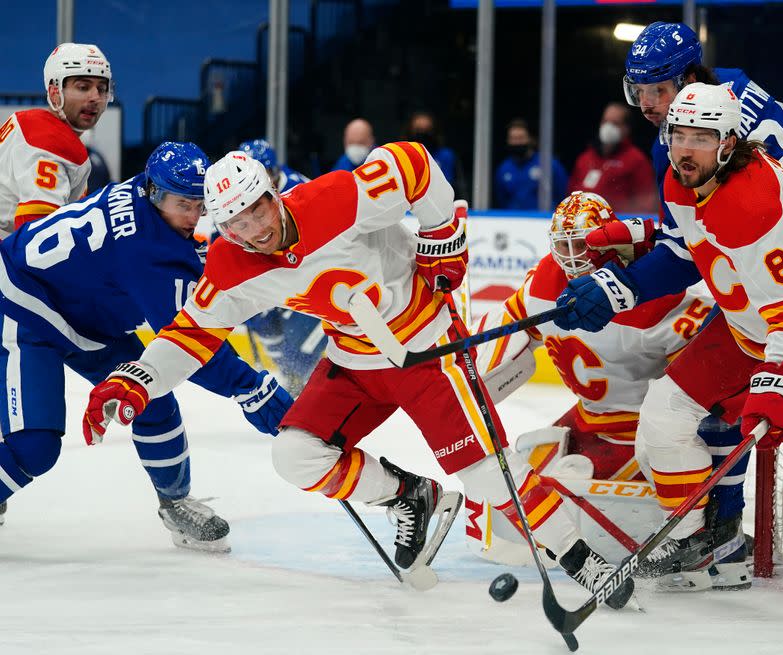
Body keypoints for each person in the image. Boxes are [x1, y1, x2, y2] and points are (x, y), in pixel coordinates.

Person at [83, 144, 635, 608]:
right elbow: (189, 335)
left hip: (427, 347)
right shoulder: (230, 264)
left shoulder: (336, 198)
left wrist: (443, 236)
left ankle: (579, 557)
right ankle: (410, 496)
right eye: (234, 222)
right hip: (353, 360)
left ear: (273, 195)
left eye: (256, 211)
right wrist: (135, 379)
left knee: (490, 478)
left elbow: (415, 165)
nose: (252, 230)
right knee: (295, 455)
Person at [553, 83, 783, 591]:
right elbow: (683, 254)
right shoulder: (679, 179)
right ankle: (695, 540)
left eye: (701, 137)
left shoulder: (757, 207)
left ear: (729, 143)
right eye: (677, 134)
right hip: (746, 329)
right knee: (664, 417)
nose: (684, 148)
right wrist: (617, 287)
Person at [0, 142, 292, 550]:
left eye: (199, 204)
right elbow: (189, 343)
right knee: (35, 447)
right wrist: (249, 387)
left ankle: (174, 503)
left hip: (84, 315)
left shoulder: (147, 196)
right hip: (24, 304)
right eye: (183, 204)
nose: (193, 217)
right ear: (156, 193)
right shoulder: (148, 251)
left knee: (149, 396)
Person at [468, 191, 749, 588]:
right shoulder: (545, 281)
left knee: (659, 448)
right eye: (563, 246)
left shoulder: (656, 297)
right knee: (518, 467)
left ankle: (700, 537)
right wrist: (469, 386)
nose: (572, 258)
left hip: (640, 431)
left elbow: (701, 388)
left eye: (581, 244)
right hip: (588, 418)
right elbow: (505, 331)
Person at [623, 21, 783, 193]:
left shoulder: (707, 126)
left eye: (657, 91)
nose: (645, 105)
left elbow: (685, 220)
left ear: (689, 81)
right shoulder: (731, 80)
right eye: (638, 91)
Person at [237, 139, 324, 396]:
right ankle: (292, 374)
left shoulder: (301, 190)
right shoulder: (236, 198)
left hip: (303, 274)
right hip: (263, 277)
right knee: (266, 328)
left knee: (300, 339)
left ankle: (301, 377)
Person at [0, 43, 113, 239]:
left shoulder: (27, 122)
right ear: (54, 93)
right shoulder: (50, 142)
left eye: (101, 89)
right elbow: (38, 237)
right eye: (83, 87)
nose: (95, 97)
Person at [567, 103, 658, 213]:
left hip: (616, 223)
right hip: (583, 222)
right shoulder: (585, 158)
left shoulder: (637, 160)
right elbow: (570, 194)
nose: (608, 127)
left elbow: (646, 201)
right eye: (605, 121)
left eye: (615, 123)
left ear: (626, 128)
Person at [494, 118, 568, 210]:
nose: (517, 142)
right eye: (513, 138)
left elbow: (562, 193)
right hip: (512, 220)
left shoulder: (548, 164)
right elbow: (502, 199)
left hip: (543, 220)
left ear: (530, 139)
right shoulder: (504, 169)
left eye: (520, 138)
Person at [406, 111, 464, 197]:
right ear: (411, 131)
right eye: (418, 130)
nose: (423, 135)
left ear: (434, 131)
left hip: (440, 203)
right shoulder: (402, 156)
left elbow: (453, 187)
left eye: (427, 130)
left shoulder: (446, 155)